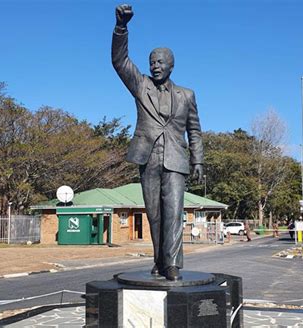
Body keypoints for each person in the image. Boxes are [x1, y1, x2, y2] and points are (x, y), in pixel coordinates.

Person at [112, 4, 204, 281]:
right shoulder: (141, 86)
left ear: (171, 65)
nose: (155, 66)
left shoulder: (187, 95)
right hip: (148, 158)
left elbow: (195, 130)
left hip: (176, 159)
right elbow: (120, 61)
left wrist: (198, 159)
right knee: (154, 215)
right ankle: (158, 260)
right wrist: (121, 28)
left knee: (173, 212)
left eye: (160, 62)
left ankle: (173, 264)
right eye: (152, 62)